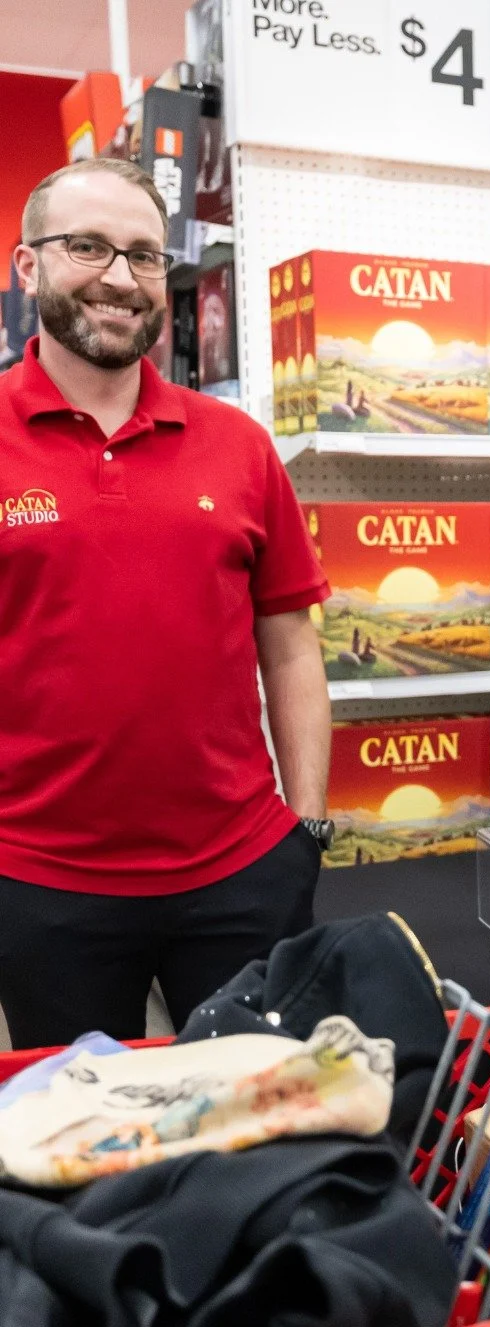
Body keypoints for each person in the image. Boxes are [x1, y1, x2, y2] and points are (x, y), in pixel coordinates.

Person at [0, 159, 333, 1049]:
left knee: (263, 1130)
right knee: (88, 1154)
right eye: (87, 246)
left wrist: (307, 830)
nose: (119, 277)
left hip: (243, 873)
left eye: (144, 255)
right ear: (28, 267)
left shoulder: (238, 446)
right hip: (41, 886)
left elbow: (292, 645)